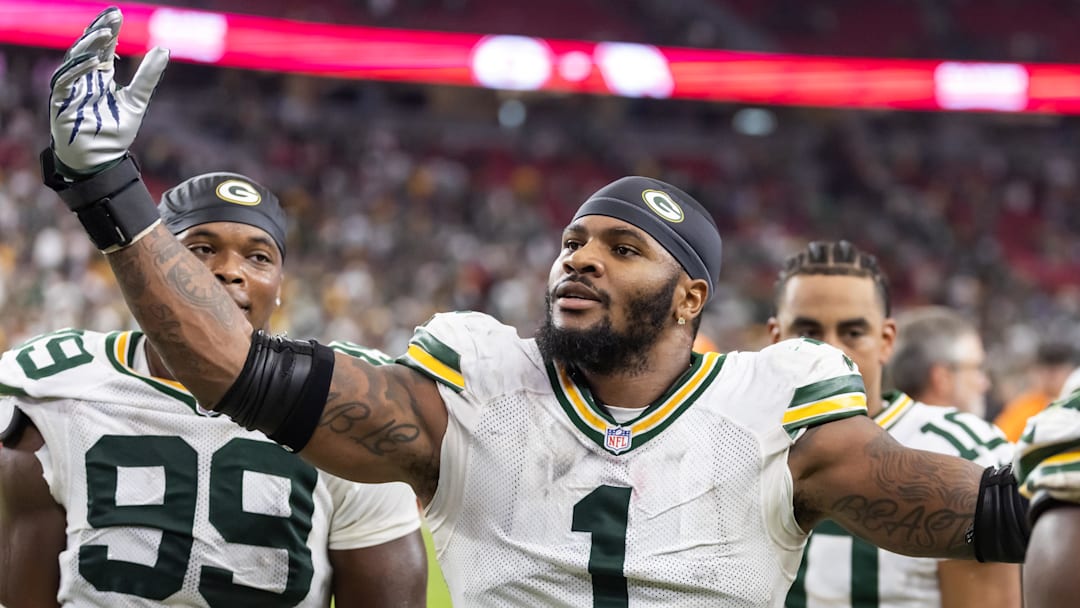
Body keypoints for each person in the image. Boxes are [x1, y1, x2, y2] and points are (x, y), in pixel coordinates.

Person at [37, 9, 1030, 606]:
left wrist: (1046, 486)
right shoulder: (477, 383)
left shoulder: (780, 395)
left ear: (693, 296)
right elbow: (242, 371)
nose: (581, 258)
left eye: (622, 247)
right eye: (571, 242)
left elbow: (985, 512)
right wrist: (109, 188)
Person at [0, 170, 428, 606]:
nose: (229, 271)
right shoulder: (59, 387)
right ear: (152, 267)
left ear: (280, 287)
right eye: (202, 249)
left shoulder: (342, 404)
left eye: (259, 257)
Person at [769, 259, 1019, 608]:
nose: (830, 352)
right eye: (807, 333)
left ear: (886, 340)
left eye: (853, 332)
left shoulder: (963, 446)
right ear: (775, 338)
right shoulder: (736, 441)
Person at [994, 341, 1077, 442]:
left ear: (1070, 371)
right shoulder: (1024, 407)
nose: (1051, 376)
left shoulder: (1075, 402)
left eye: (1057, 370)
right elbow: (1001, 440)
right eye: (1047, 370)